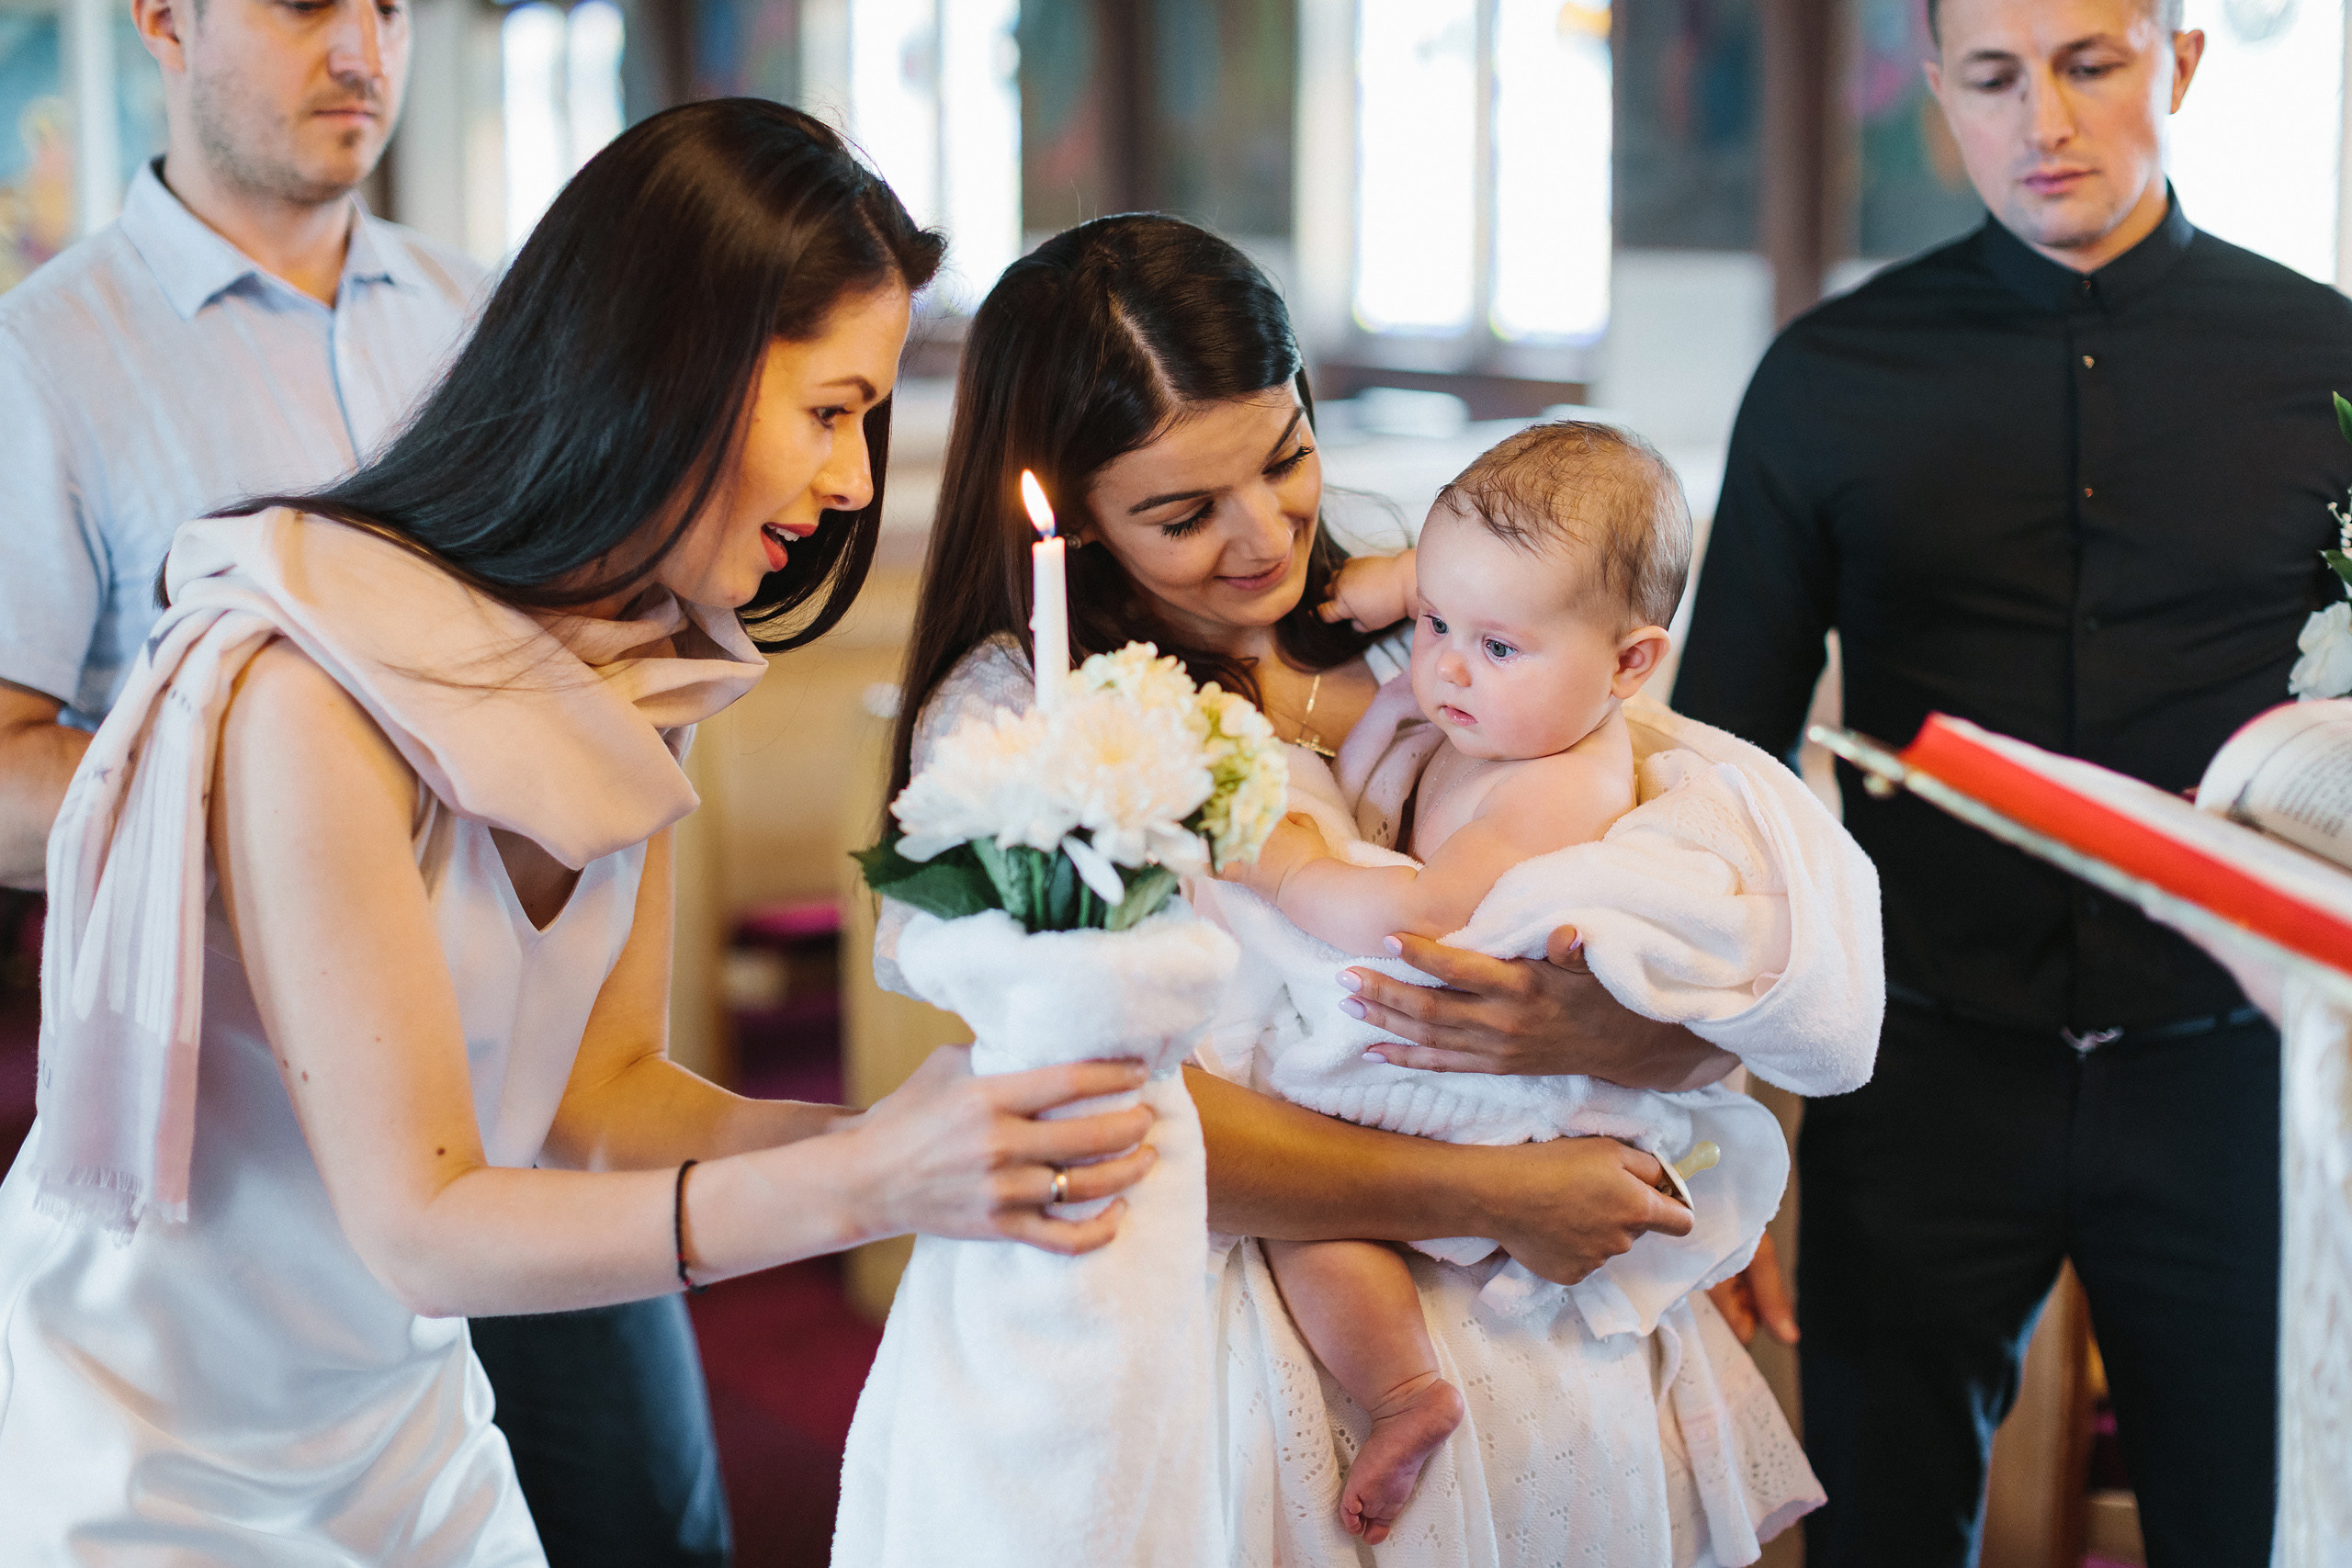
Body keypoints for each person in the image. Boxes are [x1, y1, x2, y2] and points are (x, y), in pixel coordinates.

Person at [0, 100, 1160, 1565]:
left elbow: (601, 1096)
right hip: (154, 1445)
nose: (859, 478)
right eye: (831, 409)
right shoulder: (313, 688)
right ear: (679, 367)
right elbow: (420, 1220)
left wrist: (899, 1139)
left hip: (397, 1412)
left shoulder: (643, 661)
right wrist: (860, 1182)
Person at [883, 212, 1879, 1566]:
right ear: (1076, 514)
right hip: (1230, 1312)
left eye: (1285, 455)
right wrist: (1494, 1192)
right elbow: (1103, 1112)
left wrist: (1676, 1097)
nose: (1261, 537)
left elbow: (1642, 880)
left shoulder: (1427, 602)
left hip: (1551, 1284)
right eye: (1182, 513)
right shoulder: (1032, 727)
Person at [0, 0, 736, 1559]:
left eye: (395, 6)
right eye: (308, 3)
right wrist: (308, 821)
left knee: (653, 1521)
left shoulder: (489, 325)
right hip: (265, 1145)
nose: (365, 50)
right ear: (163, 20)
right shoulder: (41, 354)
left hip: (531, 1081)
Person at [1671, 0, 2352, 1562]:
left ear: (2179, 64)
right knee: (1882, 1530)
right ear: (1937, 97)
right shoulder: (1831, 375)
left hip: (2231, 1077)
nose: (2041, 120)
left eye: (2090, 64)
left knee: (2258, 1525)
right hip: (1917, 1074)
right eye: (1992, 78)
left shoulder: (2330, 365)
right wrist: (1711, 1139)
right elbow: (1724, 771)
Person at [1216, 421, 1839, 1548]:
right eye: (1432, 624)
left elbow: (1420, 915)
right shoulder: (1488, 694)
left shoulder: (1554, 786)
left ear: (1631, 664)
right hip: (1479, 1056)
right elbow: (1464, 591)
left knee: (1309, 1207)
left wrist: (1288, 864)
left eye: (1494, 647)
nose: (1445, 664)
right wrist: (1390, 599)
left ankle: (1403, 1390)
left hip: (1505, 1089)